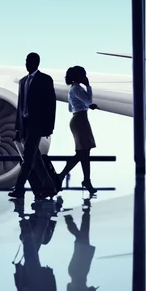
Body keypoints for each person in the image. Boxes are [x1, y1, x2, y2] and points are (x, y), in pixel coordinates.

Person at [9, 52, 57, 199]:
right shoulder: (23, 81)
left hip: (36, 125)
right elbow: (20, 106)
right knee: (35, 158)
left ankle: (19, 189)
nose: (27, 64)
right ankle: (49, 188)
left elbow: (51, 104)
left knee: (28, 157)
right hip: (25, 124)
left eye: (30, 61)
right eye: (26, 61)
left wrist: (49, 127)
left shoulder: (45, 80)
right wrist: (18, 128)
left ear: (36, 63)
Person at [58, 66, 98, 196]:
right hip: (80, 120)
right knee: (82, 153)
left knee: (84, 152)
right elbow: (88, 99)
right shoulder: (77, 88)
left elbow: (71, 108)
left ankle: (85, 180)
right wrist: (88, 86)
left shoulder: (72, 89)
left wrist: (85, 106)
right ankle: (64, 175)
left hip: (78, 119)